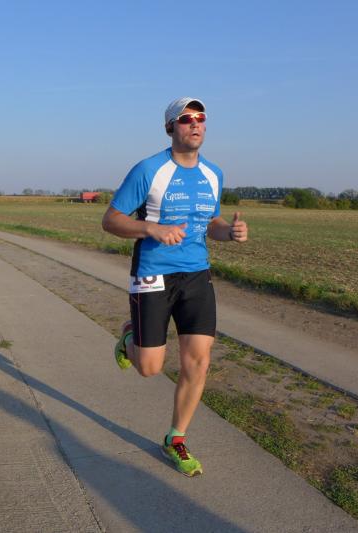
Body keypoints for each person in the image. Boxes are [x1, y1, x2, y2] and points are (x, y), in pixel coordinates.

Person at [102, 97, 248, 477]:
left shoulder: (214, 174)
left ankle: (175, 438)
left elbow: (211, 223)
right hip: (152, 273)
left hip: (197, 274)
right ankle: (130, 337)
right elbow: (111, 220)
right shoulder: (149, 170)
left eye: (200, 118)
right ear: (170, 127)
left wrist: (229, 233)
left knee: (198, 360)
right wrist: (151, 229)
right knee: (149, 368)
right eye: (186, 119)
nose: (195, 124)